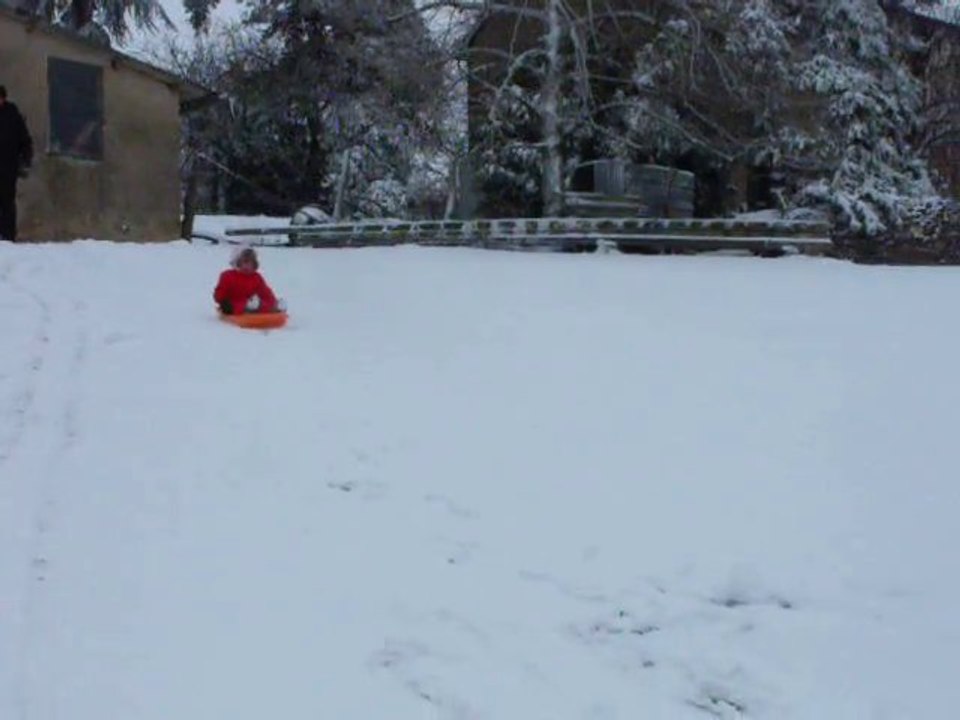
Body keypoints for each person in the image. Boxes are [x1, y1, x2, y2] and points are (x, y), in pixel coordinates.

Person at [0, 85, 34, 242]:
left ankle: (7, 238)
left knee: (7, 202)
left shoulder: (13, 116)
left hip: (8, 167)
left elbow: (25, 141)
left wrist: (25, 161)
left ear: (3, 98)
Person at [213, 247, 280, 315]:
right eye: (245, 262)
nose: (247, 266)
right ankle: (251, 308)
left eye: (251, 263)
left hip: (251, 303)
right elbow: (220, 291)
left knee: (262, 305)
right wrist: (222, 302)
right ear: (238, 263)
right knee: (242, 306)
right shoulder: (228, 275)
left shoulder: (256, 277)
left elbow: (265, 292)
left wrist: (273, 302)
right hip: (233, 303)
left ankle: (274, 308)